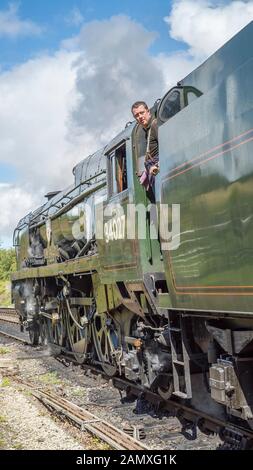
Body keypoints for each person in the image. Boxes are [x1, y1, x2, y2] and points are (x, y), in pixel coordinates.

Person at [131, 101, 159, 191]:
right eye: (136, 115)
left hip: (158, 171)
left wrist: (158, 165)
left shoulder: (155, 125)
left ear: (148, 111)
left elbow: (167, 146)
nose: (140, 117)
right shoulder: (147, 129)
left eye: (142, 113)